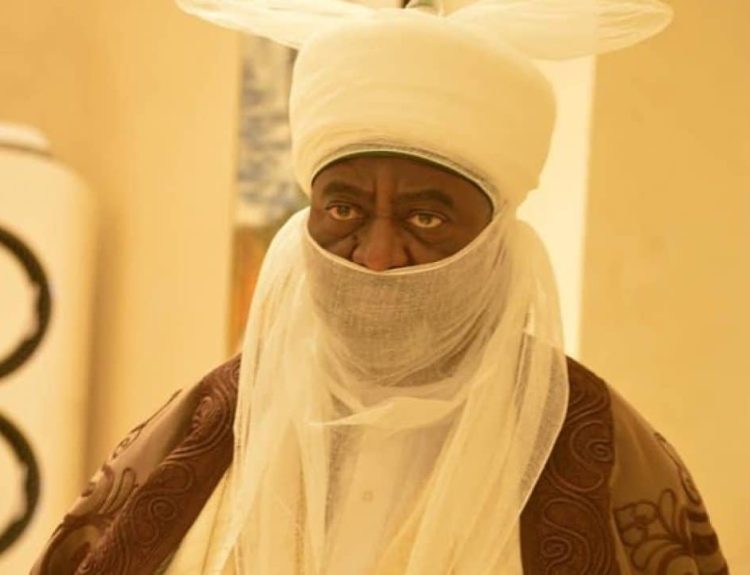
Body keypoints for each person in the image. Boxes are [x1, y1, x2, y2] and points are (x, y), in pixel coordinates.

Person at [33, 1, 728, 573]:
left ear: (496, 239)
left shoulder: (594, 444)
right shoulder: (211, 424)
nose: (376, 257)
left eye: (426, 218)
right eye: (344, 209)